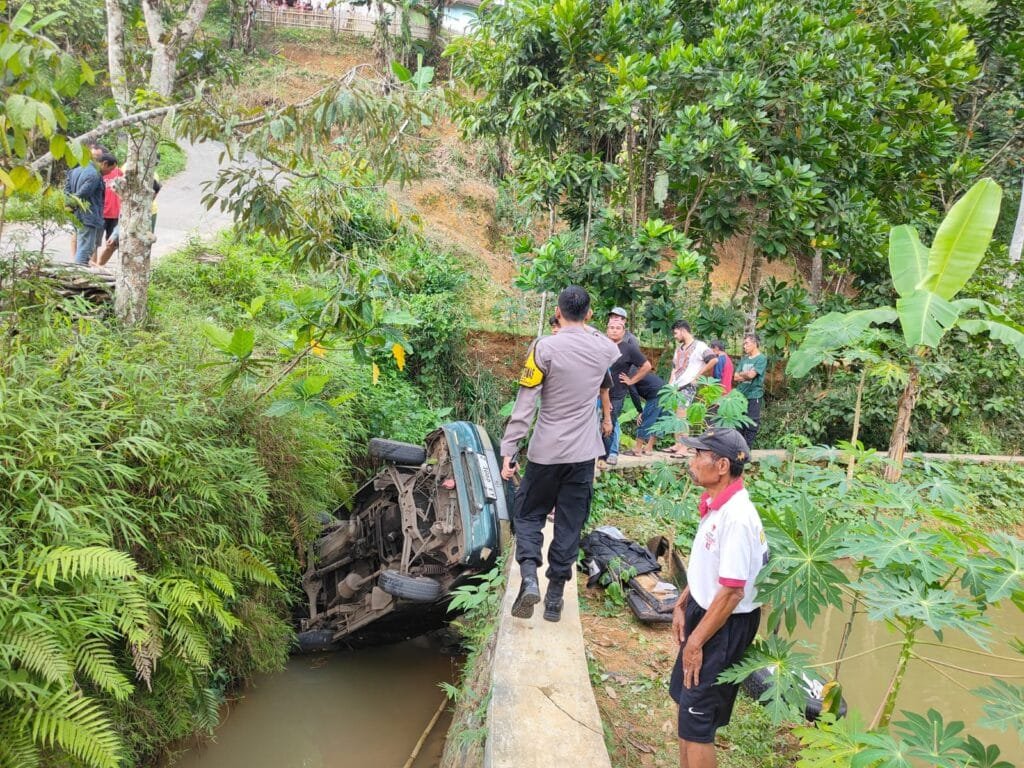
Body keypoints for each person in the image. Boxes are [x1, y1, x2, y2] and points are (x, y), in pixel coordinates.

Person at [500, 286, 620, 623]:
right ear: (590, 314)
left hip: (545, 452)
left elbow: (525, 407)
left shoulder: (544, 348)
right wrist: (587, 325)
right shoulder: (603, 348)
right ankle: (554, 599)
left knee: (527, 515)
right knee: (570, 522)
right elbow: (597, 338)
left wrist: (509, 451)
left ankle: (528, 578)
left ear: (556, 310)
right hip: (583, 454)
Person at [669, 427, 768, 768]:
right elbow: (712, 569)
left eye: (699, 455)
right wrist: (685, 600)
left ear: (722, 465)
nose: (692, 461)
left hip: (722, 624)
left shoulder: (738, 518)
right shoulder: (717, 505)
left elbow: (732, 591)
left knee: (698, 722)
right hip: (706, 611)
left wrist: (696, 642)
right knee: (686, 707)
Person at [603, 307, 651, 466]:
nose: (614, 330)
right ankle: (600, 454)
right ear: (607, 329)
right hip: (598, 393)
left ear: (623, 331)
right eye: (611, 327)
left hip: (617, 393)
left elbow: (646, 366)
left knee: (611, 421)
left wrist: (632, 380)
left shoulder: (629, 347)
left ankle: (611, 453)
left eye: (618, 328)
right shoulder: (601, 345)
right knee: (598, 422)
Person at [665, 321, 709, 456]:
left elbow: (713, 359)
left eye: (676, 333)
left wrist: (697, 376)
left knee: (682, 414)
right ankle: (678, 444)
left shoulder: (700, 346)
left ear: (683, 331)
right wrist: (670, 385)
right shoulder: (679, 349)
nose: (675, 336)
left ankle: (684, 447)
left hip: (688, 385)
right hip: (675, 387)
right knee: (676, 415)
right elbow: (674, 368)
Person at [64, 151, 106, 266]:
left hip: (77, 214)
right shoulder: (94, 174)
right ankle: (78, 272)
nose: (107, 172)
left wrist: (70, 207)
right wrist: (73, 204)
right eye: (109, 169)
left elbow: (66, 191)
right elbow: (82, 193)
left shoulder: (74, 170)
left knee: (83, 244)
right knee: (86, 248)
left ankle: (78, 270)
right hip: (88, 215)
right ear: (103, 163)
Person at [734, 334, 767, 449]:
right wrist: (746, 374)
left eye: (746, 343)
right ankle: (739, 449)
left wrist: (744, 374)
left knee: (752, 423)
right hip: (741, 396)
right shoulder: (744, 359)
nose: (744, 346)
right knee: (739, 423)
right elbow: (735, 377)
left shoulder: (761, 358)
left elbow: (752, 375)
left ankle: (747, 449)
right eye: (744, 344)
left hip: (754, 395)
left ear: (754, 343)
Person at [625, 370, 666, 456]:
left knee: (647, 420)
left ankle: (638, 450)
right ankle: (649, 448)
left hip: (655, 393)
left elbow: (634, 394)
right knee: (660, 421)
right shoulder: (637, 369)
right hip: (667, 391)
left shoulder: (629, 375)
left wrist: (640, 411)